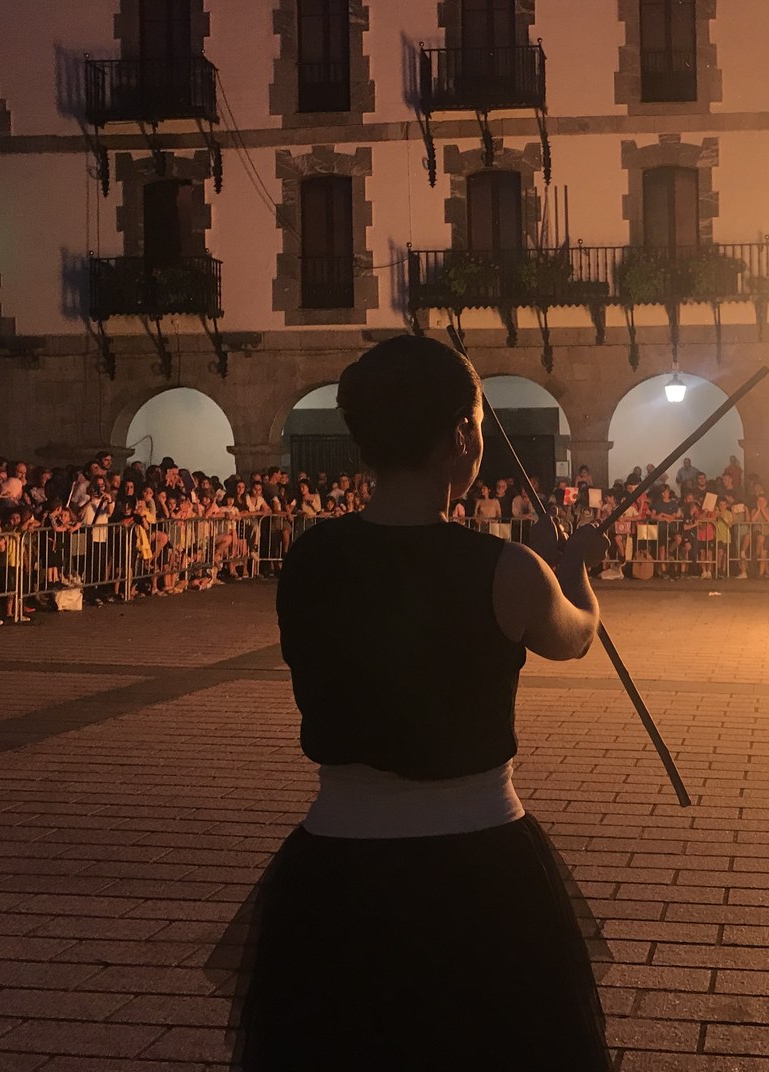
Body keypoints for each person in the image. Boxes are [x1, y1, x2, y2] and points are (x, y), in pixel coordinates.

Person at [233, 335, 611, 1071]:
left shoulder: (309, 559)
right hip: (479, 864)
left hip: (337, 865)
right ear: (463, 436)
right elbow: (576, 637)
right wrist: (576, 571)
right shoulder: (508, 569)